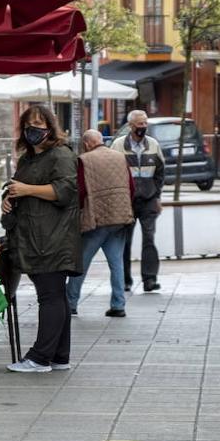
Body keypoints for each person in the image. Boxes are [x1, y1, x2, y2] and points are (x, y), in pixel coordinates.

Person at [3, 104, 82, 373]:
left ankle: (40, 357)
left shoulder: (60, 155)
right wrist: (9, 198)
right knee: (54, 295)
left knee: (50, 295)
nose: (33, 129)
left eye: (39, 123)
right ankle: (60, 356)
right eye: (28, 124)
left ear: (50, 126)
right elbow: (18, 188)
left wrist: (26, 189)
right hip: (32, 236)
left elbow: (65, 191)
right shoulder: (28, 159)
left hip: (52, 237)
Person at [67, 129, 134, 318]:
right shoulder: (120, 157)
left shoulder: (84, 160)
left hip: (96, 220)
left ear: (87, 144)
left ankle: (70, 303)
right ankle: (118, 305)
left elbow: (79, 191)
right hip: (120, 218)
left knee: (81, 263)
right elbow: (131, 187)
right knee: (117, 263)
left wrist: (78, 215)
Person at [113, 109, 164, 292]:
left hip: (149, 200)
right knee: (125, 241)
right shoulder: (118, 145)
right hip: (126, 201)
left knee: (149, 239)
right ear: (130, 125)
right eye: (140, 124)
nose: (143, 127)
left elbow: (160, 172)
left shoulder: (153, 144)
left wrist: (157, 197)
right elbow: (112, 172)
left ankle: (149, 279)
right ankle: (125, 279)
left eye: (145, 123)